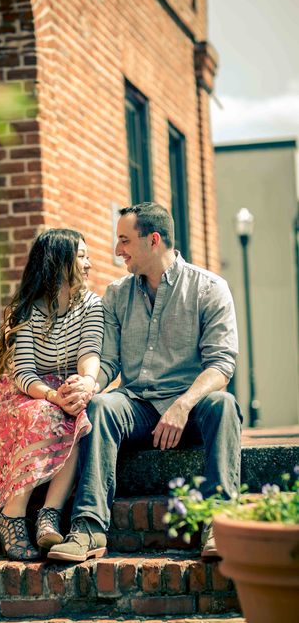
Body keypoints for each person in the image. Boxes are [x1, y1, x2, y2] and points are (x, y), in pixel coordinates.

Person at [48, 202, 242, 563]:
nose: (117, 250)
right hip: (137, 405)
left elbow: (221, 365)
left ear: (153, 240)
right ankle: (88, 529)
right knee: (101, 406)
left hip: (192, 405)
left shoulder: (209, 288)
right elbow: (109, 362)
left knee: (225, 405)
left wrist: (183, 404)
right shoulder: (117, 294)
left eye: (124, 240)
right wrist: (90, 386)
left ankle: (220, 523)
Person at [0, 228, 104, 560]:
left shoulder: (92, 306)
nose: (90, 263)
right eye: (82, 256)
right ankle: (12, 514)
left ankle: (49, 514)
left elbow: (90, 351)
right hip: (24, 393)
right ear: (60, 262)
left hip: (68, 387)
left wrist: (86, 382)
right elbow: (23, 373)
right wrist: (53, 396)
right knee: (42, 413)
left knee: (81, 415)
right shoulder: (26, 309)